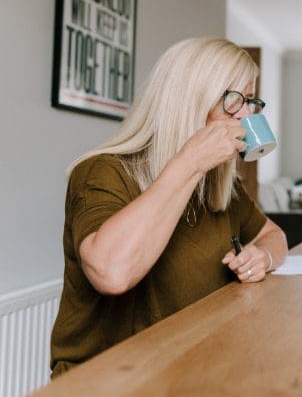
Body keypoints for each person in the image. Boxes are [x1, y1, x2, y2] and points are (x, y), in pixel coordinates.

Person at [50, 37, 288, 377]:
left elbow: (274, 235)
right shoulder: (102, 172)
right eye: (236, 99)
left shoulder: (220, 184)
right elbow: (111, 273)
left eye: (251, 101)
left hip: (189, 366)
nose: (247, 114)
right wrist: (189, 162)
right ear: (191, 100)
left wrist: (262, 257)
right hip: (106, 379)